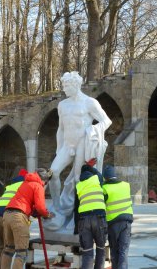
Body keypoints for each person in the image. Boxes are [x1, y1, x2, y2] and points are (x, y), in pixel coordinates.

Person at [44, 71, 112, 231]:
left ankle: (78, 215)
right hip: (67, 145)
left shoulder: (90, 103)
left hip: (83, 143)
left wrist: (94, 130)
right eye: (63, 85)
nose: (64, 89)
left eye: (67, 86)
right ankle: (57, 207)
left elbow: (106, 121)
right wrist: (58, 149)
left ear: (75, 85)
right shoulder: (62, 105)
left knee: (77, 179)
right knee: (53, 172)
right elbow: (60, 129)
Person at [1, 168, 55, 269]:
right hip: (18, 217)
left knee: (8, 249)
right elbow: (40, 207)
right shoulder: (38, 185)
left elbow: (25, 201)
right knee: (21, 252)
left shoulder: (26, 183)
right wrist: (47, 215)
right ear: (45, 180)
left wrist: (33, 211)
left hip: (7, 214)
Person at [74, 164, 107, 269]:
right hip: (99, 218)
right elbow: (99, 174)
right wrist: (90, 166)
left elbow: (76, 208)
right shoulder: (97, 179)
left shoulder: (78, 186)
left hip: (84, 220)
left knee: (87, 252)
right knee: (101, 250)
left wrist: (76, 227)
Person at [0, 168, 27, 269]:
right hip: (7, 216)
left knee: (1, 245)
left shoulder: (10, 186)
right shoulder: (24, 186)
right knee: (10, 247)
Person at [102, 165, 133, 269]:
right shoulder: (126, 185)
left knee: (114, 252)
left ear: (105, 177)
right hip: (127, 222)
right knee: (123, 251)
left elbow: (102, 207)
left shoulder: (105, 188)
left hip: (113, 223)